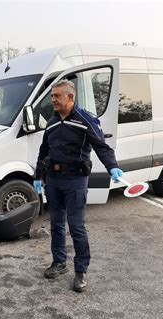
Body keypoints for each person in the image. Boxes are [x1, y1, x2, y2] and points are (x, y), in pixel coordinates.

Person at [33, 80, 123, 292]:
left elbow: (102, 146)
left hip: (75, 180)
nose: (53, 100)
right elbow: (43, 151)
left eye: (57, 96)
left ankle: (81, 271)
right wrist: (38, 176)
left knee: (77, 227)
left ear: (70, 97)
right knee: (56, 224)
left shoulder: (85, 120)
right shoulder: (52, 122)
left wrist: (113, 167)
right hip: (53, 180)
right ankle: (59, 262)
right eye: (52, 96)